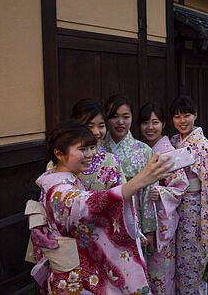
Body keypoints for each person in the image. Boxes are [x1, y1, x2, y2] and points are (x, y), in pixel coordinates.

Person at [32, 120, 172, 293]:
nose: (90, 154)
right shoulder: (59, 191)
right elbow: (90, 204)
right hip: (72, 277)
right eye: (82, 149)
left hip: (74, 269)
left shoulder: (58, 179)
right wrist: (139, 181)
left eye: (91, 147)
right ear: (59, 154)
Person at [169, 96, 208, 294]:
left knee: (192, 261)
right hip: (175, 207)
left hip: (196, 210)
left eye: (186, 115)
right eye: (177, 116)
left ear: (195, 115)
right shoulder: (174, 142)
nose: (182, 120)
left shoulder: (203, 146)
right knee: (178, 259)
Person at [138, 102, 189, 295]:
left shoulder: (168, 151)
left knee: (161, 272)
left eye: (155, 122)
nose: (150, 127)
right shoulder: (139, 150)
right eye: (145, 122)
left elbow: (180, 185)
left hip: (161, 222)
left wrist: (160, 192)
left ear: (163, 124)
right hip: (141, 219)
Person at [102, 95, 157, 253]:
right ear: (106, 118)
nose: (120, 122)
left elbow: (148, 193)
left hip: (135, 218)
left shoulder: (144, 150)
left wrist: (149, 231)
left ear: (132, 118)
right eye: (114, 116)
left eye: (125, 117)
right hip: (106, 218)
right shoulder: (97, 151)